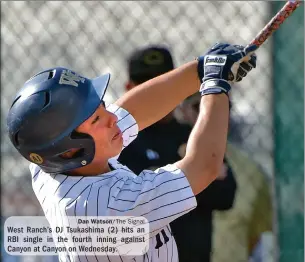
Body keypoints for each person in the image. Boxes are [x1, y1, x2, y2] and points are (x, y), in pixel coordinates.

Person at [6, 42, 258, 262]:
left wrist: (201, 69)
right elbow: (205, 166)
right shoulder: (105, 208)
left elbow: (134, 109)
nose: (111, 118)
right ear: (71, 149)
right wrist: (216, 86)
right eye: (96, 120)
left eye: (101, 108)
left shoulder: (56, 164)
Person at [118, 45, 238, 262]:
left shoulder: (192, 134)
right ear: (130, 88)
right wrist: (194, 170)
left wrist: (160, 180)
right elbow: (129, 205)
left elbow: (226, 195)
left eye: (164, 82)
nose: (158, 92)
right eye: (147, 84)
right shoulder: (120, 144)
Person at [178, 92, 273, 262]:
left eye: (221, 107)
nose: (209, 114)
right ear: (183, 112)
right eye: (198, 107)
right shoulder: (167, 161)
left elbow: (256, 237)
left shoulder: (249, 170)